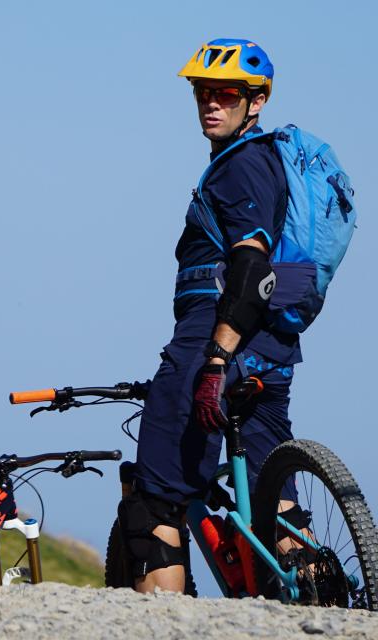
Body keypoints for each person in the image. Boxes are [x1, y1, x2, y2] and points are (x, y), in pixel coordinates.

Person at [117, 39, 303, 593]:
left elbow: (249, 263)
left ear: (258, 101)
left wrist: (216, 357)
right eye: (203, 92)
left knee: (155, 497)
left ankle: (162, 626)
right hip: (273, 344)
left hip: (214, 335)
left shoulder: (239, 166)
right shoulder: (270, 162)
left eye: (226, 93)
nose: (211, 103)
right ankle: (327, 602)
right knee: (276, 494)